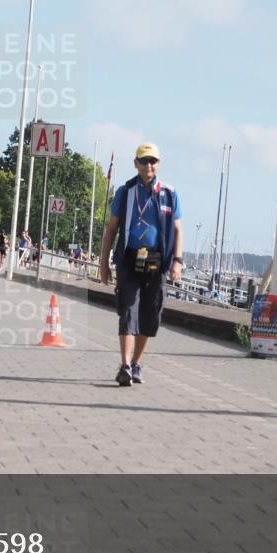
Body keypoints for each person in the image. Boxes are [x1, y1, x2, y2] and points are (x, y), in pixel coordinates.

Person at [99, 143, 183, 386]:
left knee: (151, 314)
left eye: (152, 161)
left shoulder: (169, 193)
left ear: (158, 164)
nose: (148, 165)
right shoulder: (126, 192)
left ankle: (136, 363)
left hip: (157, 261)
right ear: (135, 163)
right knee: (127, 311)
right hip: (129, 259)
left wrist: (177, 261)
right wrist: (103, 263)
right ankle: (124, 365)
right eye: (144, 160)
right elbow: (111, 229)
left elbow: (177, 230)